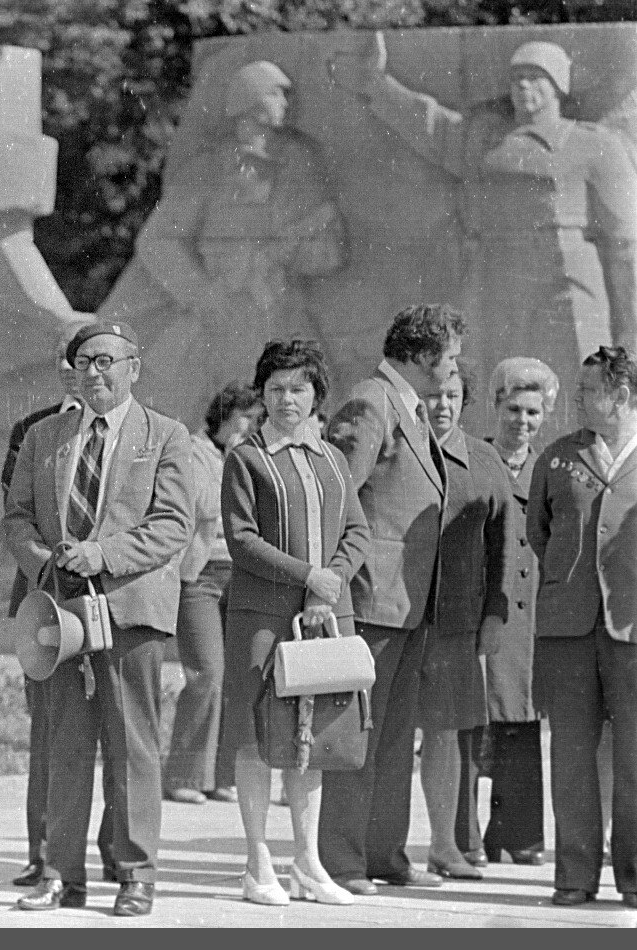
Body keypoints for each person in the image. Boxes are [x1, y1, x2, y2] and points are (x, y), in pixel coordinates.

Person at [4, 321, 195, 916]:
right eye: (84, 361)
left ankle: (136, 875)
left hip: (129, 610)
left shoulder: (165, 435)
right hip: (61, 614)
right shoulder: (44, 436)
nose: (95, 372)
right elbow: (17, 518)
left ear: (134, 368)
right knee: (64, 744)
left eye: (107, 361)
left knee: (133, 745)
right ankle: (60, 874)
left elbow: (173, 524)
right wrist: (46, 564)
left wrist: (103, 555)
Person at [328, 35, 637, 373]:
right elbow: (430, 123)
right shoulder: (486, 140)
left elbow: (624, 241)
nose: (523, 85)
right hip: (500, 275)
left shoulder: (594, 144)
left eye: (536, 76)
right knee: (501, 374)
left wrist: (631, 329)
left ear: (558, 85)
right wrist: (376, 83)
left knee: (580, 368)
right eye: (516, 77)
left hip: (568, 276)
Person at [99, 60, 344, 427]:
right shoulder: (209, 168)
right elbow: (157, 241)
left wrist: (289, 253)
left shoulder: (299, 166)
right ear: (250, 101)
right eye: (276, 94)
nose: (286, 103)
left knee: (310, 406)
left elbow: (330, 254)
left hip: (280, 307)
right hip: (224, 311)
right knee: (209, 413)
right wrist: (202, 294)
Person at [319, 303, 465, 895]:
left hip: (406, 602)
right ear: (424, 355)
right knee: (359, 734)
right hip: (369, 597)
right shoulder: (371, 402)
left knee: (394, 737)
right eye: (450, 357)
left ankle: (384, 854)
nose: (454, 369)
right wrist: (334, 582)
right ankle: (343, 860)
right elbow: (336, 497)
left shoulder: (407, 406)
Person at [220, 339, 369, 906]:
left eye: (298, 389)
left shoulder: (333, 458)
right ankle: (257, 861)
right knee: (258, 736)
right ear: (262, 394)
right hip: (262, 617)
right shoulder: (246, 458)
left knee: (316, 739)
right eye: (276, 388)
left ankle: (307, 862)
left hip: (327, 614)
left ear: (316, 395)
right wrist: (309, 576)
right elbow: (241, 539)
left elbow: (356, 530)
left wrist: (330, 583)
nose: (287, 399)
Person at [528, 345, 637, 908]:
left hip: (632, 630)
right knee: (571, 755)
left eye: (589, 390)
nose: (577, 398)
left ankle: (635, 877)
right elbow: (539, 531)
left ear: (621, 396)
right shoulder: (557, 456)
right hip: (567, 629)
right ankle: (574, 875)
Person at [459, 357, 559, 868]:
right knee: (468, 722)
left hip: (530, 613)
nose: (523, 421)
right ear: (496, 406)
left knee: (520, 717)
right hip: (477, 607)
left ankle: (517, 834)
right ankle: (462, 835)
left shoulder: (549, 468)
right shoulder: (472, 459)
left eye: (533, 412)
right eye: (514, 409)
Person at [0, 319, 90, 889]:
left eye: (87, 356)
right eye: (66, 356)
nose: (74, 368)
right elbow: (19, 514)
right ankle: (42, 852)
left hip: (108, 597)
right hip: (44, 597)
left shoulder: (142, 432)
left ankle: (110, 852)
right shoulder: (31, 431)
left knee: (110, 730)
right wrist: (50, 568)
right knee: (49, 731)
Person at [416, 358, 510, 881]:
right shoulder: (398, 448)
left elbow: (502, 546)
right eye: (434, 395)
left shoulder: (484, 459)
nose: (443, 405)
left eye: (452, 396)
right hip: (397, 616)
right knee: (385, 736)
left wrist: (494, 612)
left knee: (445, 733)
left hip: (455, 620)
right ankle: (373, 847)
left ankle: (444, 845)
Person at [166, 381, 263, 806]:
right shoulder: (192, 451)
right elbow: (201, 506)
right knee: (207, 672)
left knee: (239, 677)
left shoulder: (251, 454)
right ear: (223, 416)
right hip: (200, 576)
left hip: (242, 576)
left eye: (254, 421)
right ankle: (184, 774)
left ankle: (223, 774)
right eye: (243, 419)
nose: (249, 428)